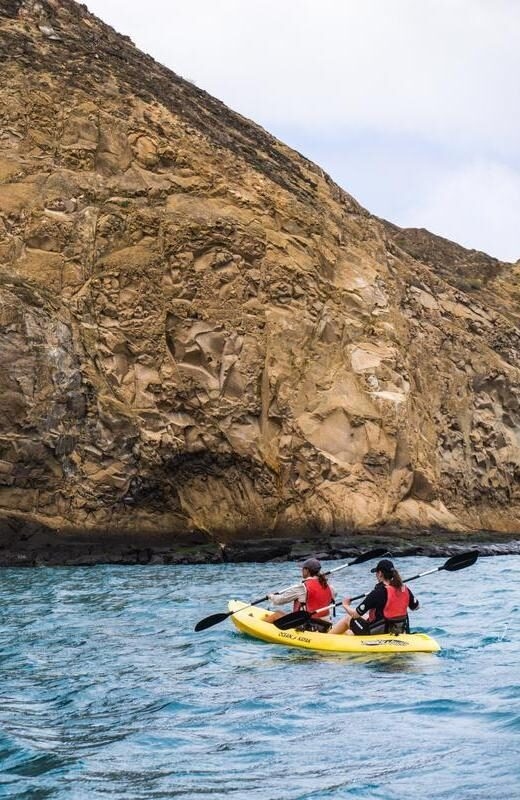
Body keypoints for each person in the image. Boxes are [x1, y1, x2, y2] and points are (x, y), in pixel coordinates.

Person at [329, 558, 419, 635]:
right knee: (366, 616)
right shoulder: (404, 588)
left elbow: (355, 615)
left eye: (376, 573)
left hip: (378, 631)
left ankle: (327, 637)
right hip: (398, 629)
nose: (376, 575)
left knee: (348, 618)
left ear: (380, 574)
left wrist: (345, 605)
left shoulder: (378, 592)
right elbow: (416, 607)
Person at [265, 558, 335, 631]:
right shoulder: (329, 586)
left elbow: (279, 600)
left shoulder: (302, 587)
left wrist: (271, 596)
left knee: (277, 614)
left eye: (303, 569)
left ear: (307, 570)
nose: (301, 570)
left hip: (309, 625)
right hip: (325, 624)